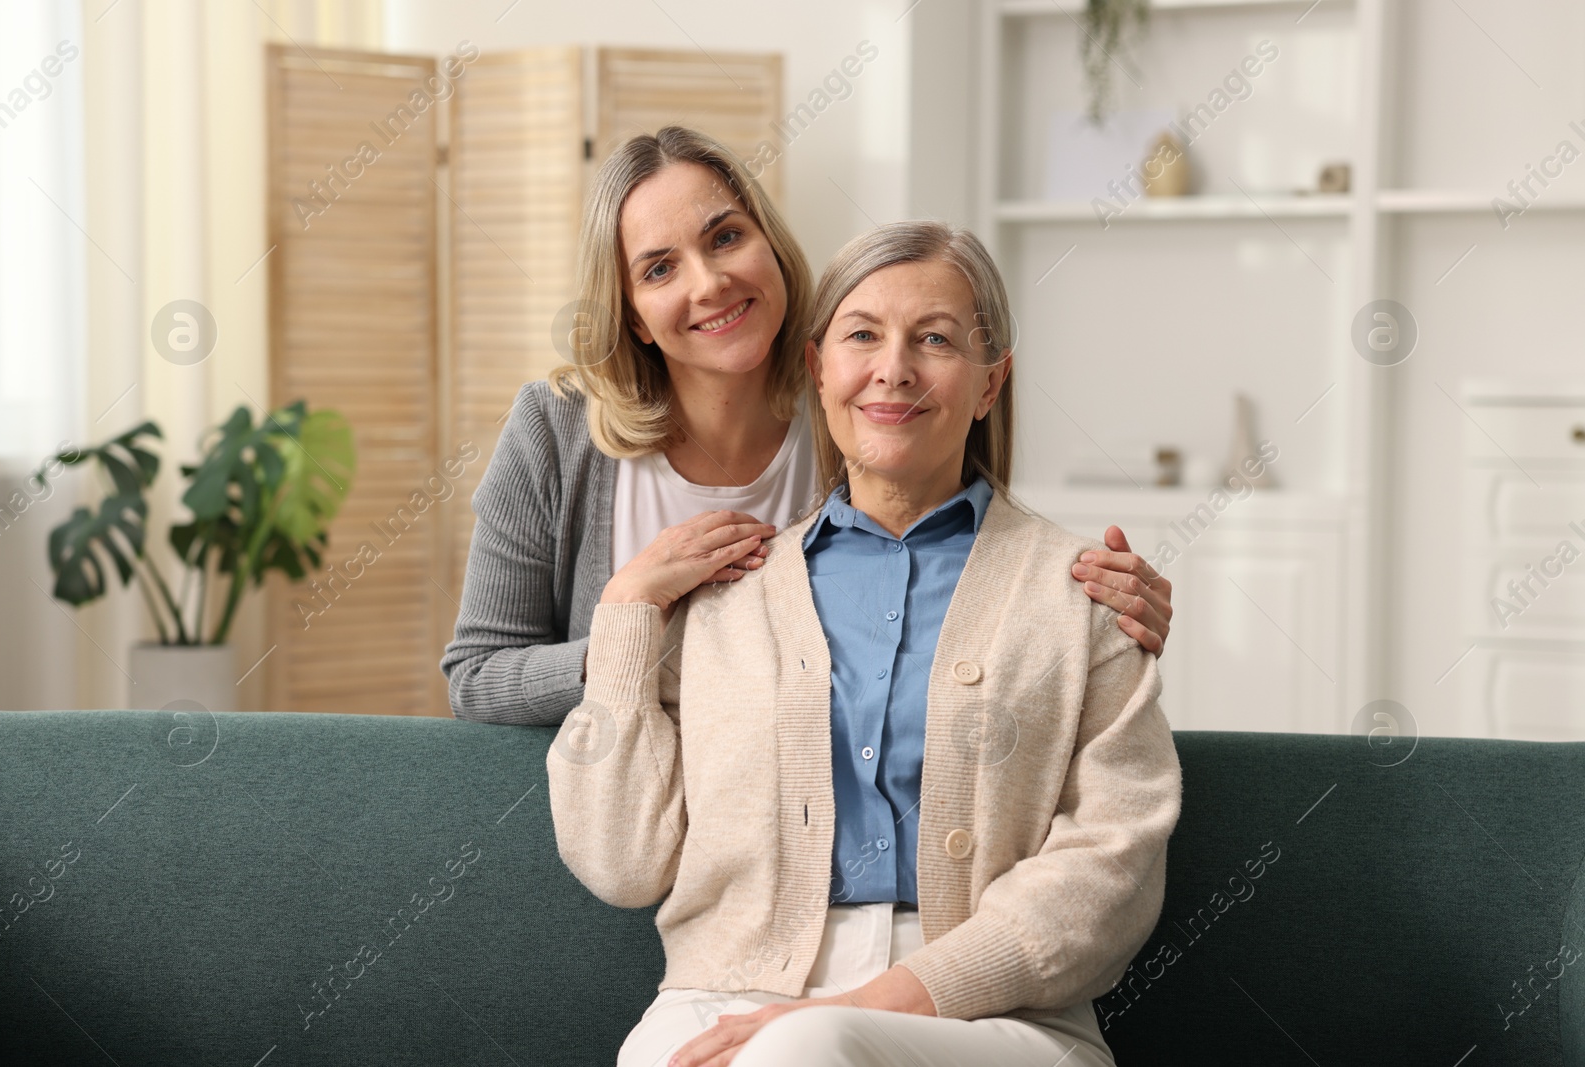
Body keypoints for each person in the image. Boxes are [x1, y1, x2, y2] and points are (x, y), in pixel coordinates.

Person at [548, 220, 1184, 1067]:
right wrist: (627, 611)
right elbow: (621, 861)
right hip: (722, 994)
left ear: (991, 383)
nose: (894, 368)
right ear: (818, 370)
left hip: (1000, 1015)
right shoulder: (721, 598)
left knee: (803, 1050)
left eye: (935, 339)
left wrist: (874, 1000)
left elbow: (1114, 869)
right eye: (861, 336)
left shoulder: (1085, 595)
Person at [440, 126, 1175, 727]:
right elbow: (475, 678)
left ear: (770, 243)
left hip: (801, 839)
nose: (709, 282)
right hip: (613, 830)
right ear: (633, 313)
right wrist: (628, 614)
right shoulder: (555, 432)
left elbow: (957, 607)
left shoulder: (857, 412)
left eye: (725, 237)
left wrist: (1094, 622)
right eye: (660, 269)